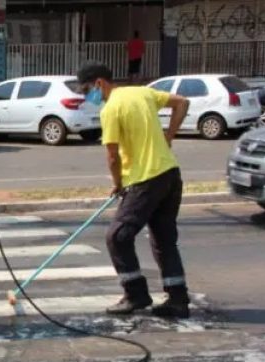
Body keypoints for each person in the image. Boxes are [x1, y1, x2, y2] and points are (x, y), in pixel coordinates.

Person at [76, 63, 191, 319]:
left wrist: (117, 183)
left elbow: (112, 156)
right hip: (170, 176)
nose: (87, 97)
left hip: (145, 180)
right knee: (163, 239)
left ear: (98, 83)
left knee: (117, 237)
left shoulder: (111, 109)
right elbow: (182, 102)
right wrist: (169, 136)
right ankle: (178, 299)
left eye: (86, 91)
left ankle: (135, 294)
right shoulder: (142, 93)